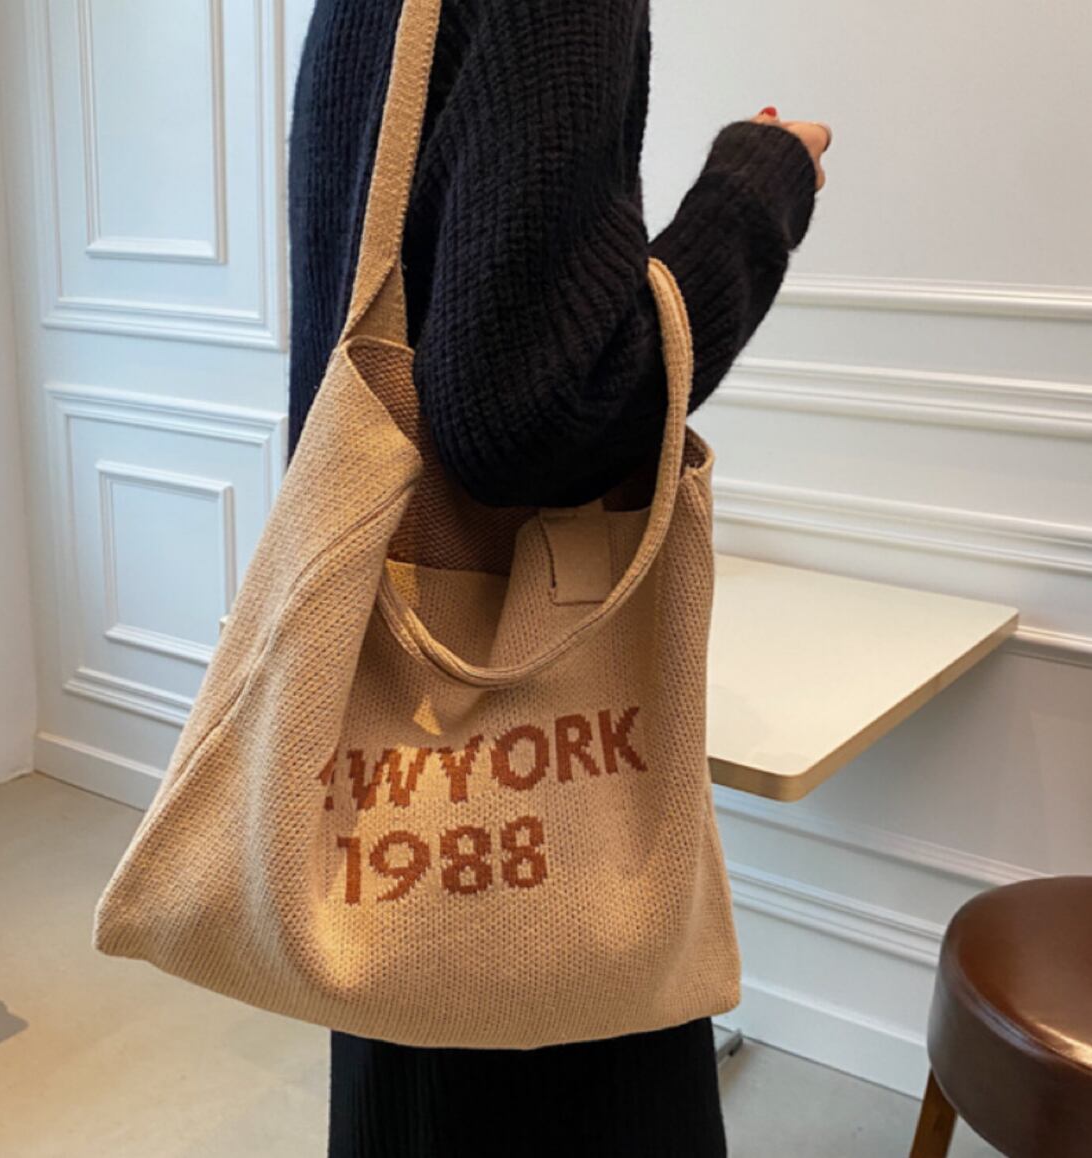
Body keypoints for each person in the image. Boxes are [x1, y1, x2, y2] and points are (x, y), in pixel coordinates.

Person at [287, 2, 832, 1155]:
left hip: (383, 696)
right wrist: (756, 192)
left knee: (414, 1060)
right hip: (514, 735)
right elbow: (538, 411)